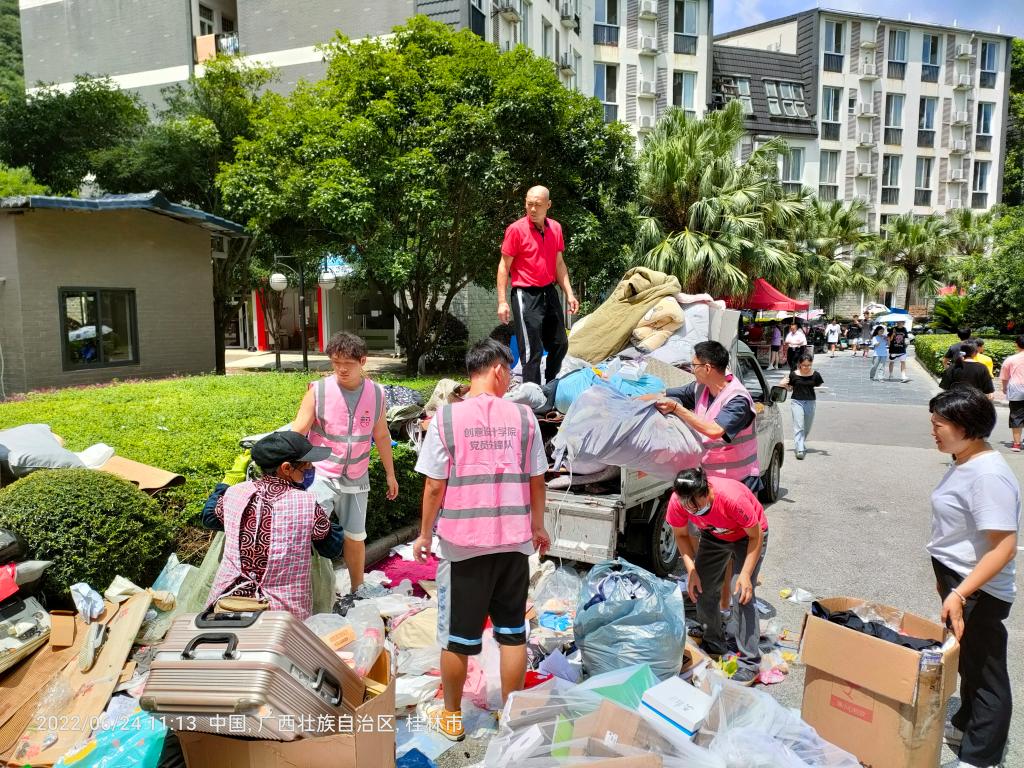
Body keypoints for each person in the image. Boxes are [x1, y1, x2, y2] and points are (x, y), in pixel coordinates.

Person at [413, 339, 551, 741]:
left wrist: (424, 533)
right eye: (509, 374)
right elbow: (537, 479)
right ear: (498, 370)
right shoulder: (524, 418)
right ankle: (509, 719)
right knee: (512, 634)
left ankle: (452, 718)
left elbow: (434, 486)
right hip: (513, 543)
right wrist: (538, 526)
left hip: (463, 547)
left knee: (457, 638)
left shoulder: (445, 419)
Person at [927, 388, 1019, 768]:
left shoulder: (988, 475)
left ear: (965, 428)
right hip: (961, 581)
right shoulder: (964, 459)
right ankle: (967, 723)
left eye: (939, 425)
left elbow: (1004, 547)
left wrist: (960, 593)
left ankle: (981, 757)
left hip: (978, 589)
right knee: (968, 660)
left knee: (985, 672)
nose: (933, 431)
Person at [293, 332, 398, 595]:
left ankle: (357, 588)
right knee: (307, 533)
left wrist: (390, 474)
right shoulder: (318, 391)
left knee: (355, 535)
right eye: (336, 362)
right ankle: (304, 590)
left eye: (348, 364)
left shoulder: (376, 394)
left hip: (357, 476)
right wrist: (286, 467)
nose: (341, 369)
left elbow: (381, 435)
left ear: (362, 361)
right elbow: (299, 431)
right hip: (321, 474)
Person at [203, 431, 345, 619]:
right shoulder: (306, 503)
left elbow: (209, 517)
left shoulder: (234, 493)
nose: (311, 467)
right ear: (286, 468)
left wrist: (226, 484)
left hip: (226, 602)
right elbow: (332, 547)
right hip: (281, 613)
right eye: (306, 464)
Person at [669, 467, 768, 686]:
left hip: (748, 538)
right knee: (702, 588)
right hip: (714, 535)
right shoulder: (678, 501)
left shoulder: (731, 499)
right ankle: (714, 642)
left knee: (741, 592)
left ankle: (750, 662)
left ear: (706, 491)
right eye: (688, 507)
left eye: (697, 506)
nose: (693, 511)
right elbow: (681, 536)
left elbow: (756, 536)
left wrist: (745, 574)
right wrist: (691, 571)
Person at [651, 340, 762, 492]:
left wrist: (677, 408)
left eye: (694, 365)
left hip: (739, 481)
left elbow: (714, 431)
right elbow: (664, 394)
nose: (692, 370)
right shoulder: (700, 388)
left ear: (707, 368)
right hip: (710, 479)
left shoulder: (737, 399)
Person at [496, 186, 579, 385]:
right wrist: (502, 301)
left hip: (549, 291)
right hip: (525, 294)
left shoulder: (556, 228)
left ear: (548, 205)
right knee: (532, 350)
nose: (532, 209)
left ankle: (550, 384)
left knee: (560, 343)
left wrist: (569, 293)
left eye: (538, 205)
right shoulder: (516, 230)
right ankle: (532, 395)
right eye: (529, 204)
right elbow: (503, 266)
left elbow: (559, 264)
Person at [782, 352, 824, 460]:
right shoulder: (794, 374)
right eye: (804, 365)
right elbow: (790, 389)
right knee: (799, 426)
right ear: (799, 364)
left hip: (810, 402)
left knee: (807, 426)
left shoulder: (816, 375)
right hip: (797, 402)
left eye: (809, 365)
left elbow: (818, 384)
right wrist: (783, 384)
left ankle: (801, 443)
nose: (807, 367)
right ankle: (800, 449)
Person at [999, 334, 1024, 453]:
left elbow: (1004, 377)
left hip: (1016, 389)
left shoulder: (1010, 359)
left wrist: (1004, 388)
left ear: (1016, 344)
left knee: (1016, 415)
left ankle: (1017, 444)